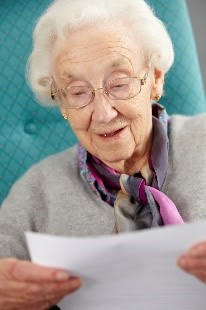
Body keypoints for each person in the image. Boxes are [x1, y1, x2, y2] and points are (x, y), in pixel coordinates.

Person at [0, 0, 206, 308]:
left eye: (119, 84)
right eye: (78, 93)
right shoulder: (35, 191)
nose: (103, 113)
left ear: (155, 79)